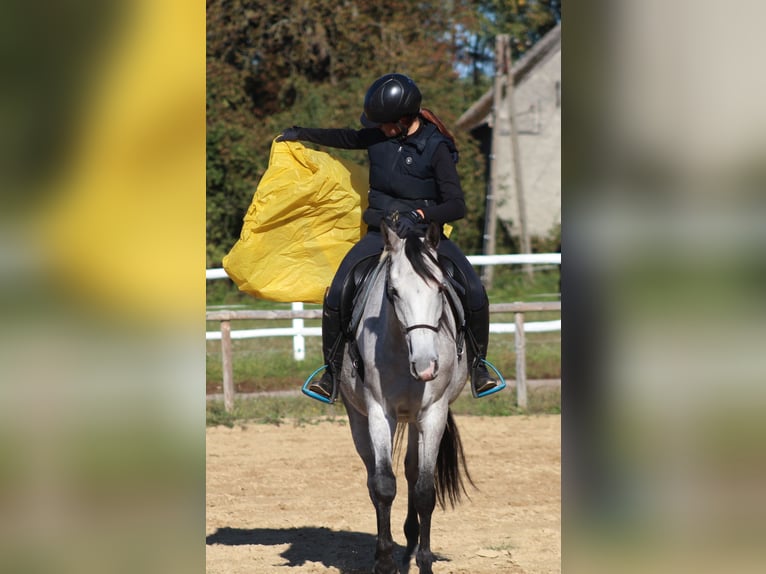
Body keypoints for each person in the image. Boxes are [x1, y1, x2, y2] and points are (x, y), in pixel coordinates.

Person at [277, 73, 498, 401]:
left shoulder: (436, 148)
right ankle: (331, 371)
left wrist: (420, 215)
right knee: (338, 290)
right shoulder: (379, 138)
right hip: (380, 235)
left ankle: (479, 365)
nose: (378, 128)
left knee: (475, 290)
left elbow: (456, 205)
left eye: (384, 123)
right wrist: (301, 134)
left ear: (404, 119)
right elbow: (347, 137)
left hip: (425, 238)